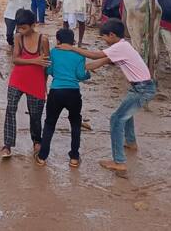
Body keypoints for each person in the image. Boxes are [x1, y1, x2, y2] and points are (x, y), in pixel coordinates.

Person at [66, 18, 156, 173]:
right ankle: (131, 142)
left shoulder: (120, 47)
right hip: (141, 87)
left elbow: (94, 56)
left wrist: (72, 48)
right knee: (126, 114)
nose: (104, 40)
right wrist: (77, 70)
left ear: (112, 35)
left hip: (142, 88)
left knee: (116, 119)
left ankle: (119, 162)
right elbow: (99, 62)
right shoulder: (122, 47)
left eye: (105, 37)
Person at [35, 28, 102, 167]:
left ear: (58, 40)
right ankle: (74, 158)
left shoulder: (54, 52)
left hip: (56, 91)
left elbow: (50, 70)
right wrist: (88, 74)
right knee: (75, 124)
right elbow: (80, 75)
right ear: (73, 41)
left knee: (49, 124)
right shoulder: (79, 55)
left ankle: (42, 157)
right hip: (73, 92)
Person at [0, 9, 50, 158]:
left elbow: (46, 64)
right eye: (19, 28)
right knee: (11, 108)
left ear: (33, 25)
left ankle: (36, 141)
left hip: (36, 80)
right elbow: (15, 59)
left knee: (35, 114)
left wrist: (44, 84)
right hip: (18, 79)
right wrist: (34, 60)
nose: (21, 31)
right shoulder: (18, 38)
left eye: (24, 28)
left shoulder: (43, 40)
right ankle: (7, 145)